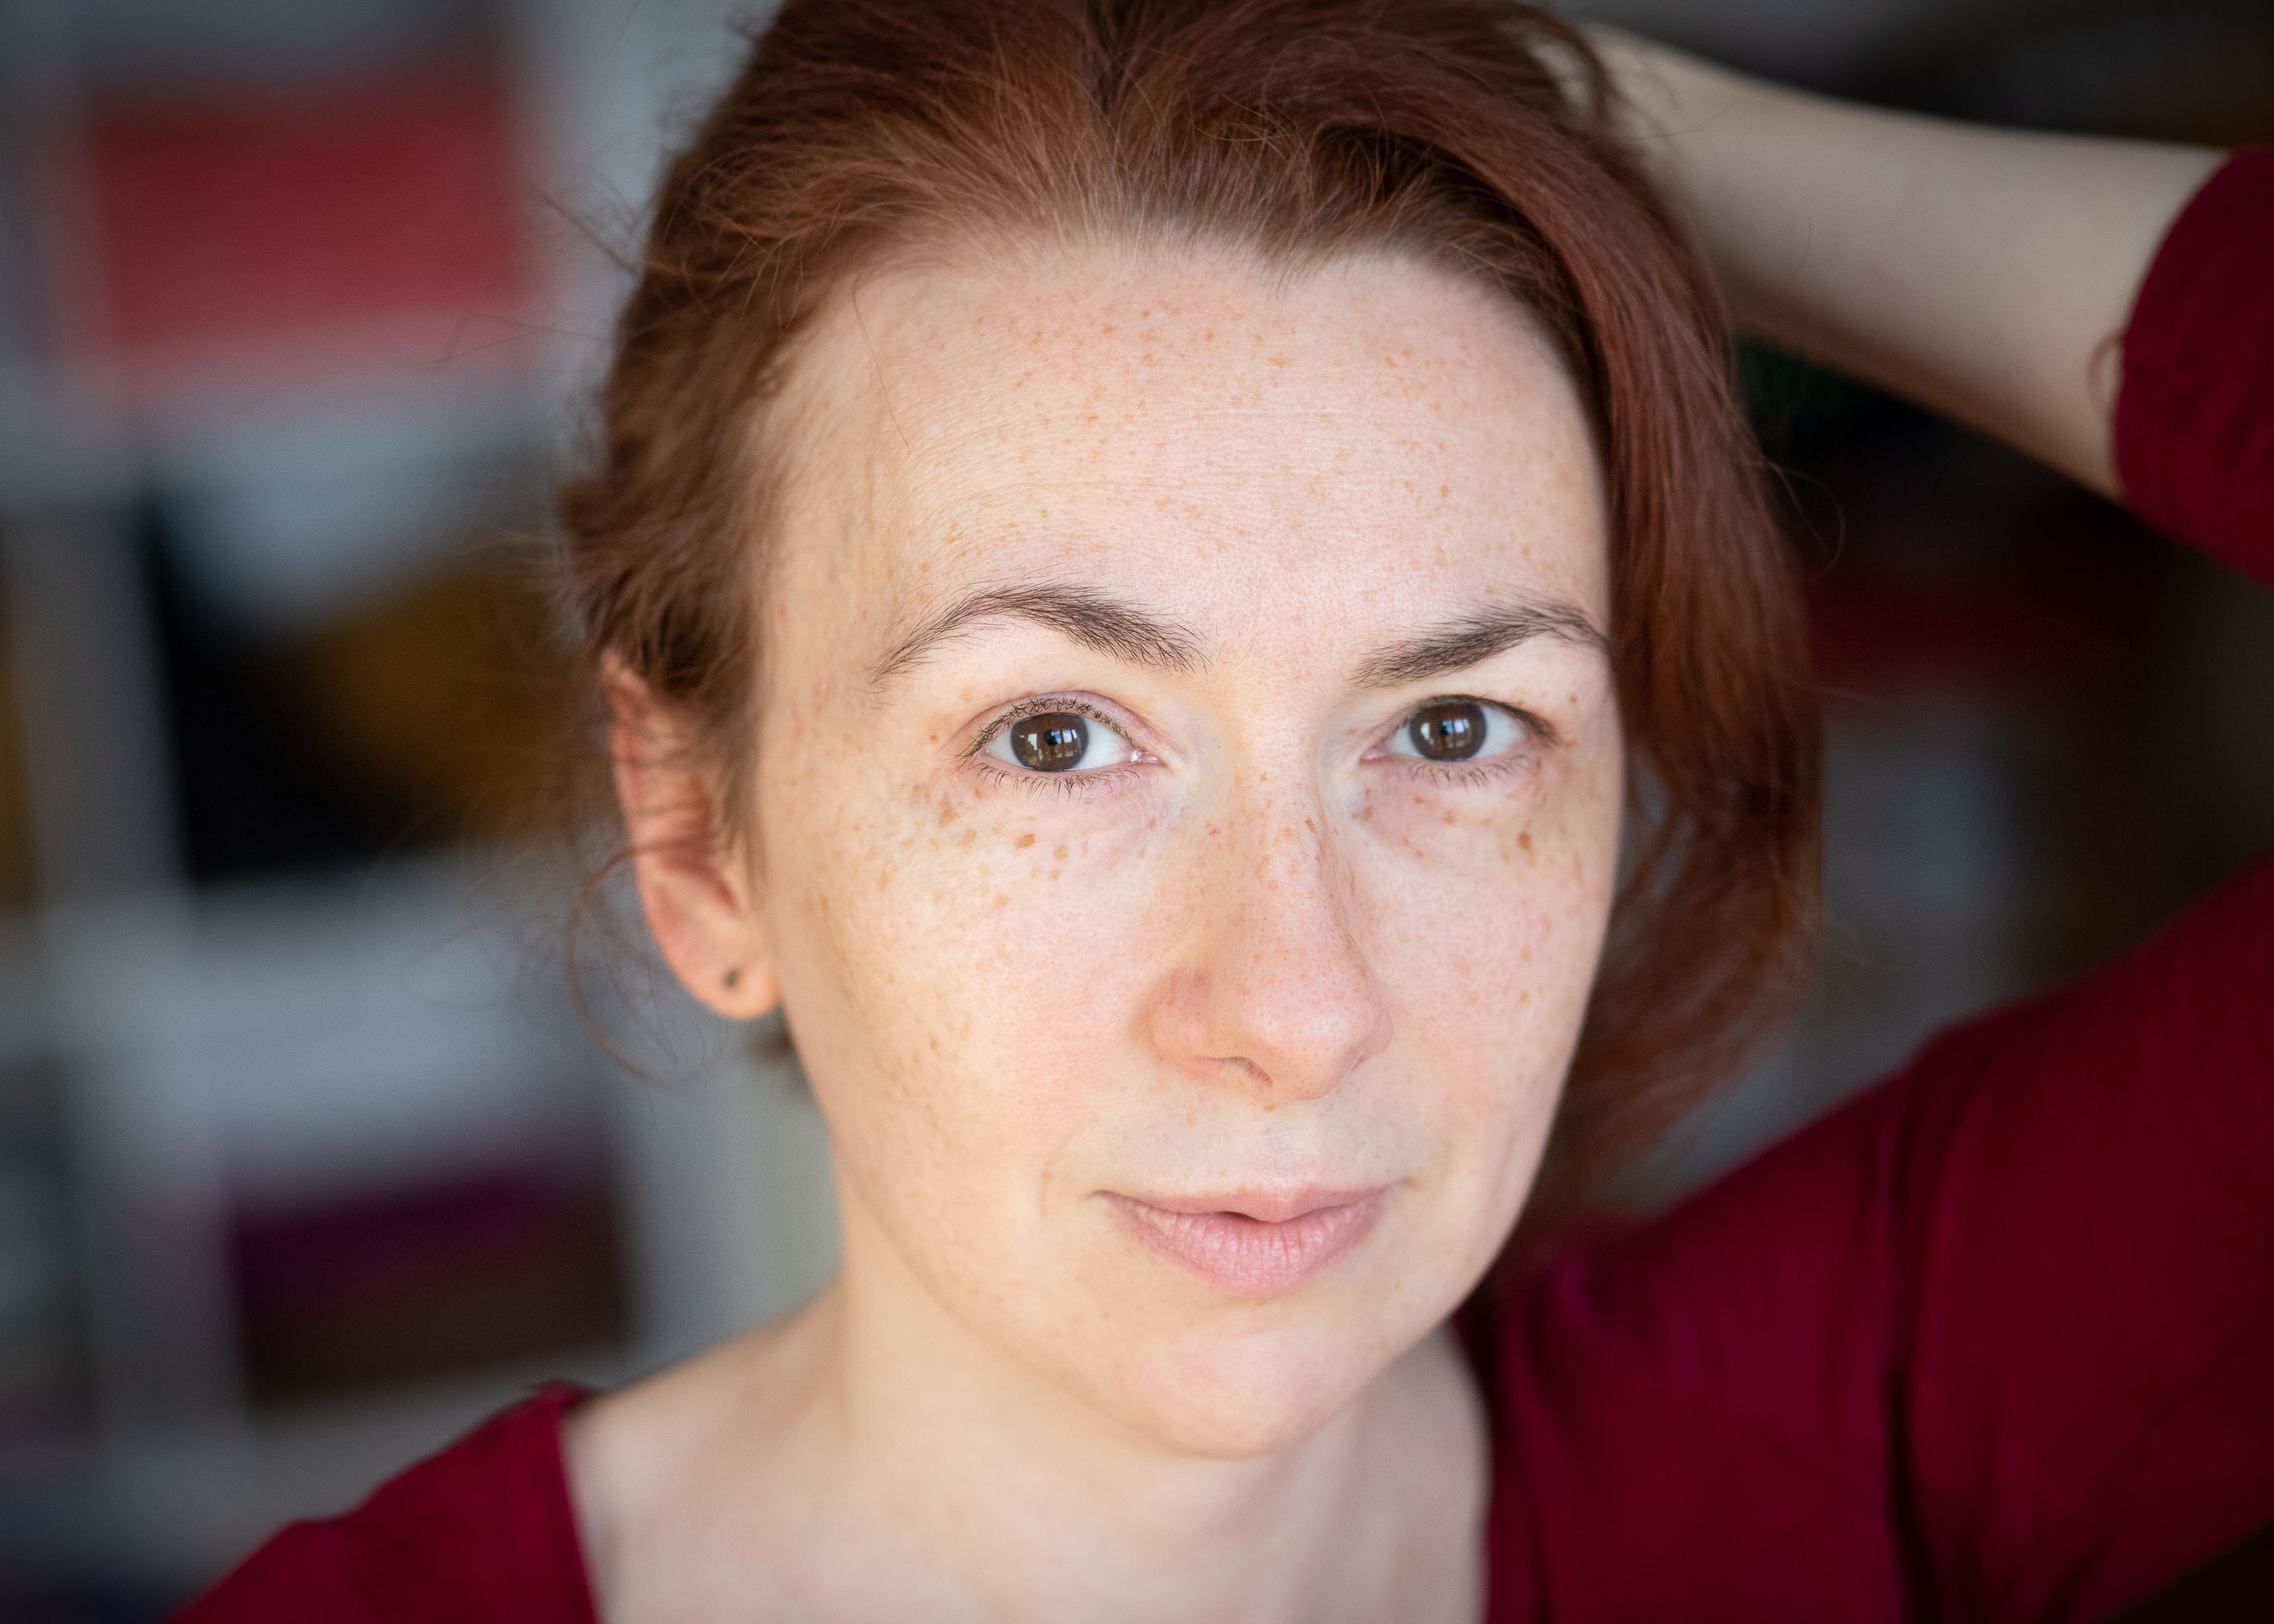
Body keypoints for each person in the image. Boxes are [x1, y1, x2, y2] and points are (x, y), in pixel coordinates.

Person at [178, 2, 2272, 1618]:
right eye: (1053, 738)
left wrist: (1577, 112)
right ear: (700, 839)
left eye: (1453, 727)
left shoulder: (1831, 1456)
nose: (1296, 1007)